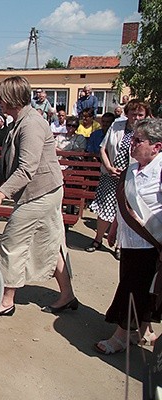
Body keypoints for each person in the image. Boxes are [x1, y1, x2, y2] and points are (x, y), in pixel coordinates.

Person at [0, 76, 76, 316]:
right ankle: (68, 296)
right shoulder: (18, 121)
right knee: (52, 242)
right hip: (40, 193)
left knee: (12, 242)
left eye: (0, 96)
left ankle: (6, 301)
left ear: (11, 98)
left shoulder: (32, 124)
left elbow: (26, 168)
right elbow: (4, 161)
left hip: (42, 193)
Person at [95, 118, 162, 354]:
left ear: (156, 146)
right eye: (132, 139)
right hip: (129, 241)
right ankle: (142, 331)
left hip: (151, 243)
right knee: (138, 287)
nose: (131, 144)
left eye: (138, 141)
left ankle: (121, 337)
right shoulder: (131, 170)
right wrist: (114, 227)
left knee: (133, 289)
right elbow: (124, 205)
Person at [86, 100, 150, 255]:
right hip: (110, 174)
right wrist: (108, 167)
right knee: (105, 210)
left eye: (140, 114)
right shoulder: (116, 126)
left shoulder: (147, 132)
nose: (136, 117)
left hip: (132, 178)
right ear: (127, 114)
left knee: (126, 212)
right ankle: (98, 239)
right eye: (133, 114)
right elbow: (103, 148)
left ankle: (120, 245)